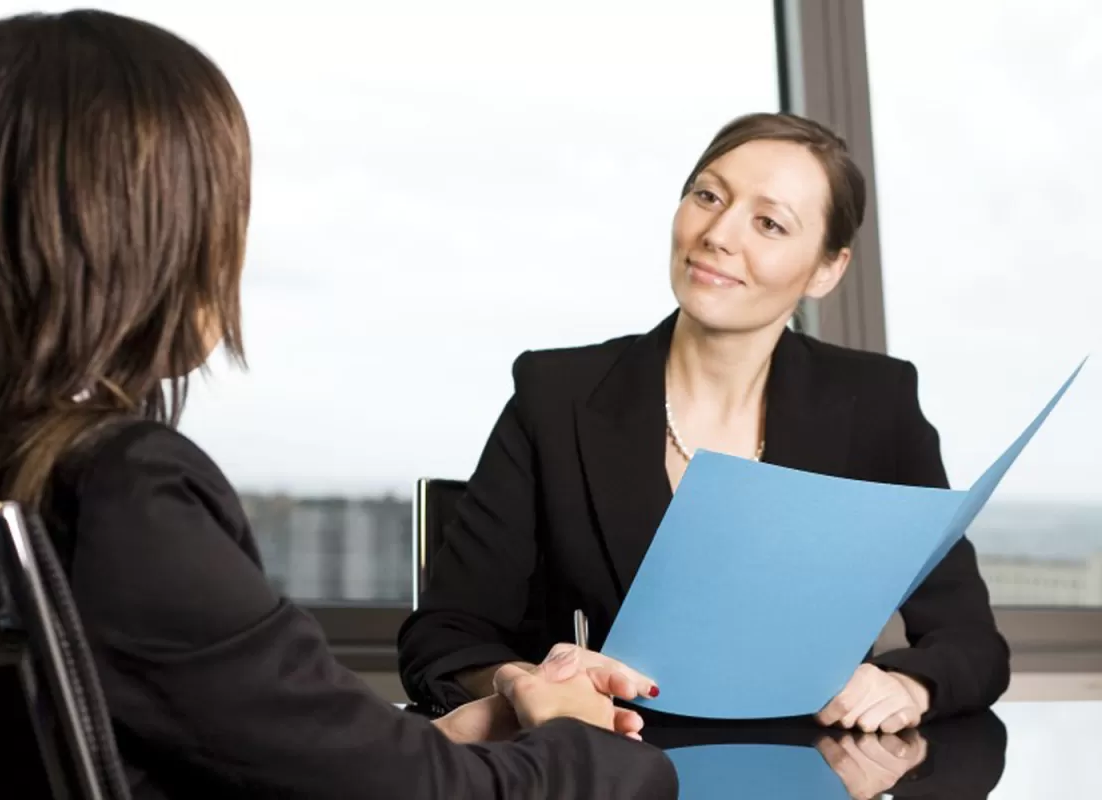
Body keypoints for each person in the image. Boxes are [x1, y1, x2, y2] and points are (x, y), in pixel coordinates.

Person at [0, 10, 677, 799]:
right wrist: (588, 748)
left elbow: (255, 749)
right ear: (153, 233)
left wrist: (443, 737)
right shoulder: (120, 497)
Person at [397, 111, 1011, 733]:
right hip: (606, 774)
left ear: (827, 269)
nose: (718, 233)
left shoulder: (878, 402)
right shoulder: (555, 395)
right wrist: (521, 682)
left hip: (809, 773)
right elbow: (443, 636)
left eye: (769, 223)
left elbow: (971, 644)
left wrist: (908, 686)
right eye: (708, 196)